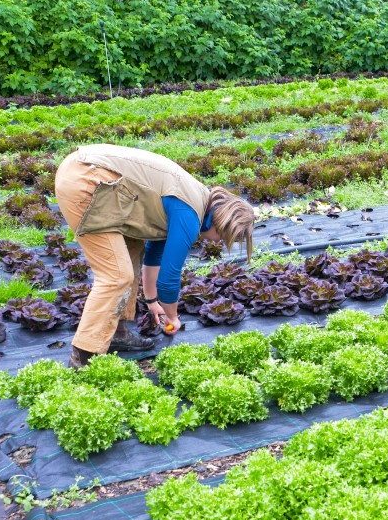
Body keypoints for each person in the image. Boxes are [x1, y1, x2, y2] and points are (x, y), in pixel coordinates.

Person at [54, 144, 255, 368]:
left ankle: (116, 334)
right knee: (116, 275)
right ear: (221, 223)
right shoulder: (189, 215)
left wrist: (151, 301)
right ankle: (83, 356)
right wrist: (172, 316)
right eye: (223, 238)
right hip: (86, 180)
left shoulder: (196, 201)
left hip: (90, 174)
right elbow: (169, 277)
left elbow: (154, 254)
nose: (217, 242)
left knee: (132, 251)